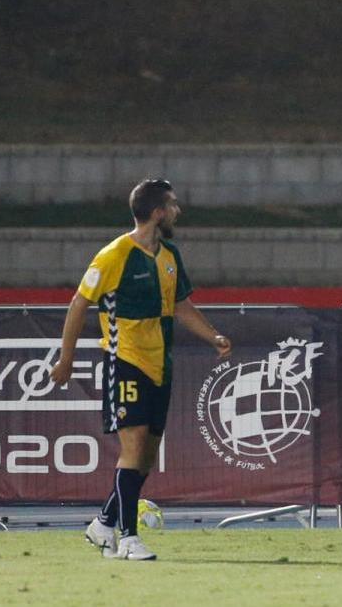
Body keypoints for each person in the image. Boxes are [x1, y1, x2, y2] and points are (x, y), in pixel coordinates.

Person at [51, 178, 232, 561]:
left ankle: (102, 524)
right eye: (173, 205)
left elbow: (181, 305)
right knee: (131, 451)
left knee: (146, 457)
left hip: (160, 365)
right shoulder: (115, 254)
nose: (178, 211)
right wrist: (66, 359)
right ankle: (128, 538)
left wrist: (212, 337)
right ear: (157, 212)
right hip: (126, 361)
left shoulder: (169, 256)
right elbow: (78, 304)